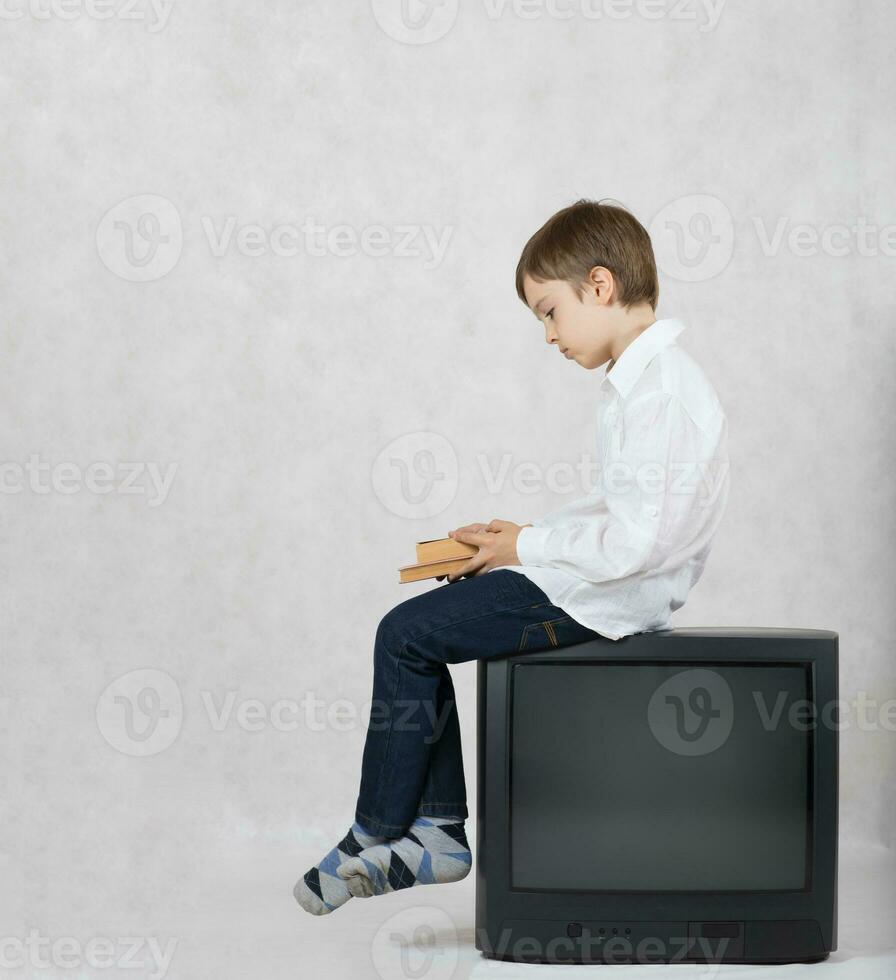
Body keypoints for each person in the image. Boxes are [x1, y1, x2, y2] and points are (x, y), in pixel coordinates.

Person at [294, 198, 730, 915]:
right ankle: (433, 830)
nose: (549, 335)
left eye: (549, 311)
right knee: (416, 633)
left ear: (600, 285)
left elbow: (636, 545)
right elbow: (620, 513)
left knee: (404, 636)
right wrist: (515, 539)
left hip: (604, 600)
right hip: (594, 585)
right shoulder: (642, 382)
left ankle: (381, 831)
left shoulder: (662, 394)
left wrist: (528, 546)